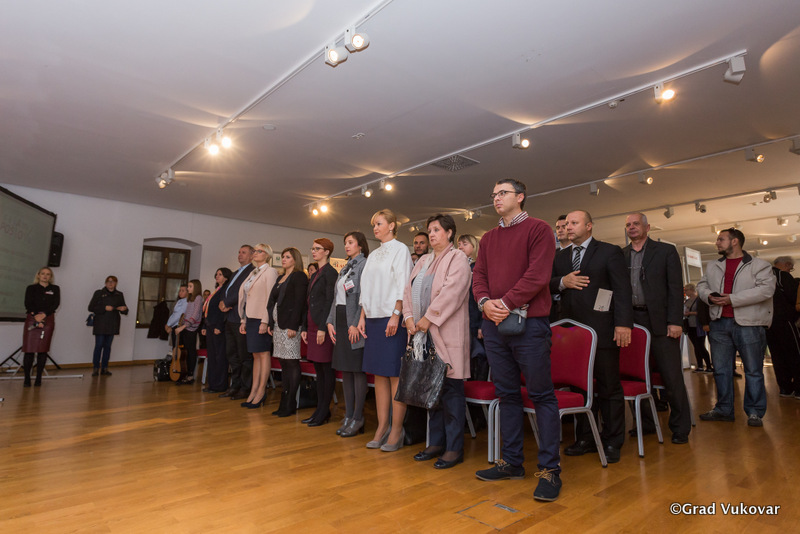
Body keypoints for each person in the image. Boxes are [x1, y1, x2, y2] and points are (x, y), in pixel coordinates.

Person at [472, 179, 562, 502]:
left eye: (503, 193)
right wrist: (485, 303)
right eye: (494, 194)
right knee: (507, 394)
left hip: (530, 324)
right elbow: (478, 276)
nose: (496, 198)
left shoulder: (539, 229)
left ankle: (550, 470)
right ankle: (512, 463)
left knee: (542, 396)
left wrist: (504, 303)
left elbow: (538, 276)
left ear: (520, 197)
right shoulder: (488, 237)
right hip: (494, 326)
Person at [551, 210, 632, 464]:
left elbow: (622, 289)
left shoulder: (609, 251)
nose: (568, 227)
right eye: (566, 223)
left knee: (608, 387)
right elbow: (547, 283)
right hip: (572, 335)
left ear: (589, 226)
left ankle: (613, 440)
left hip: (603, 330)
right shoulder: (560, 256)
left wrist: (623, 324)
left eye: (574, 223)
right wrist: (562, 282)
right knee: (580, 388)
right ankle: (585, 438)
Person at [404, 214, 472, 469]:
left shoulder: (458, 258)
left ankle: (454, 448)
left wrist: (428, 318)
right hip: (421, 334)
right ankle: (435, 443)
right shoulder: (423, 260)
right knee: (430, 390)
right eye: (429, 230)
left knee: (451, 392)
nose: (431, 235)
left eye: (436, 230)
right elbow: (407, 291)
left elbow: (452, 293)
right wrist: (409, 318)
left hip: (447, 333)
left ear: (449, 233)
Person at [623, 213, 691, 444]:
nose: (632, 227)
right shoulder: (621, 254)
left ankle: (680, 427)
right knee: (637, 375)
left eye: (636, 224)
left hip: (662, 322)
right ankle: (645, 424)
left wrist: (675, 321)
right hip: (632, 321)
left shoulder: (665, 252)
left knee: (671, 376)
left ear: (647, 227)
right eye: (628, 225)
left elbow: (675, 288)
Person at [697, 228, 775, 427]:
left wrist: (732, 299)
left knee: (753, 370)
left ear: (735, 241)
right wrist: (709, 296)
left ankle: (755, 412)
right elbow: (701, 286)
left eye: (721, 239)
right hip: (719, 323)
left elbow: (766, 290)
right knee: (721, 370)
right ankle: (724, 409)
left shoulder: (760, 265)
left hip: (749, 324)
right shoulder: (713, 265)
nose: (717, 242)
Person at [357, 209, 413, 451]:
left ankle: (397, 430)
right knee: (379, 375)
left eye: (379, 223)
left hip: (392, 319)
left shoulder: (400, 250)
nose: (375, 228)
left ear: (391, 225)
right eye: (373, 225)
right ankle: (382, 427)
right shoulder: (373, 254)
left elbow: (403, 284)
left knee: (394, 375)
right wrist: (362, 317)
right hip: (373, 319)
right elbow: (365, 288)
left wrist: (396, 314)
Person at [327, 231, 370, 437]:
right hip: (340, 320)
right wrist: (330, 321)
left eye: (351, 242)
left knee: (356, 370)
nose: (346, 245)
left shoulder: (364, 265)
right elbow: (336, 297)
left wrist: (355, 323)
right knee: (345, 370)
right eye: (345, 242)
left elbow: (364, 296)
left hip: (354, 322)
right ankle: (349, 415)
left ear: (360, 245)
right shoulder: (345, 267)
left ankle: (358, 417)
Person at [300, 239, 338, 425]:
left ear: (327, 251)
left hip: (323, 325)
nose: (313, 251)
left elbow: (330, 301)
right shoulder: (316, 273)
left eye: (317, 249)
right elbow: (308, 303)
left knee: (326, 370)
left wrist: (323, 327)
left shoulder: (330, 272)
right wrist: (305, 327)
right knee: (318, 370)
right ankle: (320, 410)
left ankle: (324, 410)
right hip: (312, 325)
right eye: (313, 248)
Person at [268, 247, 309, 417]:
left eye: (287, 257)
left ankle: (291, 402)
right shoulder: (280, 277)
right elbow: (273, 301)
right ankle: (284, 401)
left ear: (295, 260)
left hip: (290, 326)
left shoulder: (299, 276)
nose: (283, 259)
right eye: (283, 256)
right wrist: (271, 323)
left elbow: (300, 302)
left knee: (291, 363)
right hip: (279, 326)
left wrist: (293, 325)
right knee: (283, 364)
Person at [238, 244, 279, 408]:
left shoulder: (270, 272)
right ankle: (253, 390)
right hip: (250, 318)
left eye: (259, 251)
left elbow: (270, 298)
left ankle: (261, 391)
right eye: (254, 251)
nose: (255, 253)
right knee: (255, 355)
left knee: (263, 354)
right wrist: (243, 320)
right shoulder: (253, 272)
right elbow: (247, 297)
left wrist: (265, 320)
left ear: (267, 255)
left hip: (261, 318)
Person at [219, 245, 255, 400]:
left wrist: (227, 303)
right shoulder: (235, 272)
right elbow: (227, 290)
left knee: (243, 356)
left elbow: (244, 291)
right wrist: (222, 301)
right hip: (229, 318)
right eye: (239, 252)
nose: (240, 255)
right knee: (232, 354)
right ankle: (234, 386)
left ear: (252, 255)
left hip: (240, 318)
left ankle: (245, 388)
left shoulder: (252, 271)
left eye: (244, 252)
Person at [766, 256, 799, 397]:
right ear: (787, 265)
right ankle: (799, 389)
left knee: (777, 355)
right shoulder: (783, 276)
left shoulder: (763, 276)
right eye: (791, 268)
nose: (790, 271)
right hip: (785, 321)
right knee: (795, 353)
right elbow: (793, 298)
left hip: (767, 323)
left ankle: (785, 388)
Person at [22, 267, 60, 387]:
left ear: (50, 277)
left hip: (48, 319)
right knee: (29, 350)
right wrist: (35, 315)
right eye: (43, 273)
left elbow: (55, 304)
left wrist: (43, 315)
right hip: (32, 318)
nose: (45, 276)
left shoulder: (55, 289)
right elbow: (28, 303)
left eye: (48, 274)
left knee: (42, 350)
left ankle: (39, 378)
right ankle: (27, 378)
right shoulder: (31, 288)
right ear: (38, 275)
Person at [458, 233, 487, 381]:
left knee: (478, 357)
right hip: (462, 321)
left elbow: (481, 297)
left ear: (474, 247)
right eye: (459, 244)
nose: (460, 247)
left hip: (475, 321)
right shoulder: (457, 267)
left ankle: (479, 387)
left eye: (465, 244)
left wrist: (482, 323)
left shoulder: (477, 267)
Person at [88, 276, 128, 376]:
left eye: (113, 281)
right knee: (99, 346)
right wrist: (104, 308)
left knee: (107, 347)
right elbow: (91, 307)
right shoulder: (99, 293)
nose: (110, 283)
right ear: (105, 283)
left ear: (116, 283)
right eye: (108, 281)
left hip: (113, 323)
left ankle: (104, 368)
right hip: (100, 324)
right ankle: (96, 368)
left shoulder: (119, 294)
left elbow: (124, 310)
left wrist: (124, 309)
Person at [202, 268, 232, 393]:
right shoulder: (216, 290)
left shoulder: (225, 290)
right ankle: (212, 384)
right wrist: (205, 326)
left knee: (219, 356)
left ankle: (220, 385)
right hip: (210, 326)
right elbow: (208, 310)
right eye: (217, 274)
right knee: (212, 356)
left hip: (218, 327)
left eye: (220, 274)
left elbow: (222, 311)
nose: (217, 276)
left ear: (226, 277)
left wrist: (219, 326)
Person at [173, 279, 203, 384]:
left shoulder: (198, 298)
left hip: (191, 328)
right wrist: (181, 324)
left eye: (190, 286)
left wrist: (183, 327)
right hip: (186, 327)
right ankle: (184, 373)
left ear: (196, 288)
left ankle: (190, 376)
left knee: (191, 352)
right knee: (185, 352)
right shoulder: (190, 298)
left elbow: (195, 315)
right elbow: (186, 314)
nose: (188, 288)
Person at [684, 284, 712, 373]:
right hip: (690, 326)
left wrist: (690, 313)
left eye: (686, 290)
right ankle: (700, 366)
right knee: (696, 346)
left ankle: (708, 366)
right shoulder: (687, 301)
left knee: (700, 346)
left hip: (698, 326)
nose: (685, 292)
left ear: (691, 290)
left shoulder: (699, 300)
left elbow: (702, 312)